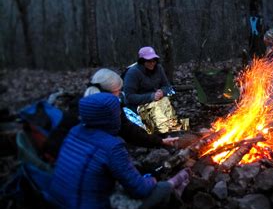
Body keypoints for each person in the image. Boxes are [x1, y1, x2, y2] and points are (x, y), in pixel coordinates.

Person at [48, 92, 191, 209]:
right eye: (118, 113)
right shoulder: (111, 147)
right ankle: (176, 194)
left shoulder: (75, 131)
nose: (121, 116)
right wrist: (154, 179)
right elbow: (141, 190)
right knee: (161, 187)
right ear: (109, 117)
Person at [43, 68, 177, 160]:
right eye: (118, 91)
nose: (120, 94)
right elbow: (129, 132)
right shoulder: (102, 112)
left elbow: (129, 130)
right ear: (109, 93)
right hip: (73, 161)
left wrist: (160, 141)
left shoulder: (81, 103)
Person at [123, 46, 172, 111]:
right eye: (148, 61)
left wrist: (162, 92)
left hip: (157, 103)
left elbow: (166, 86)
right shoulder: (133, 72)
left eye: (154, 61)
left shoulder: (158, 68)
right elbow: (129, 96)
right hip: (138, 106)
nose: (152, 63)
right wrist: (151, 96)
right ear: (142, 61)